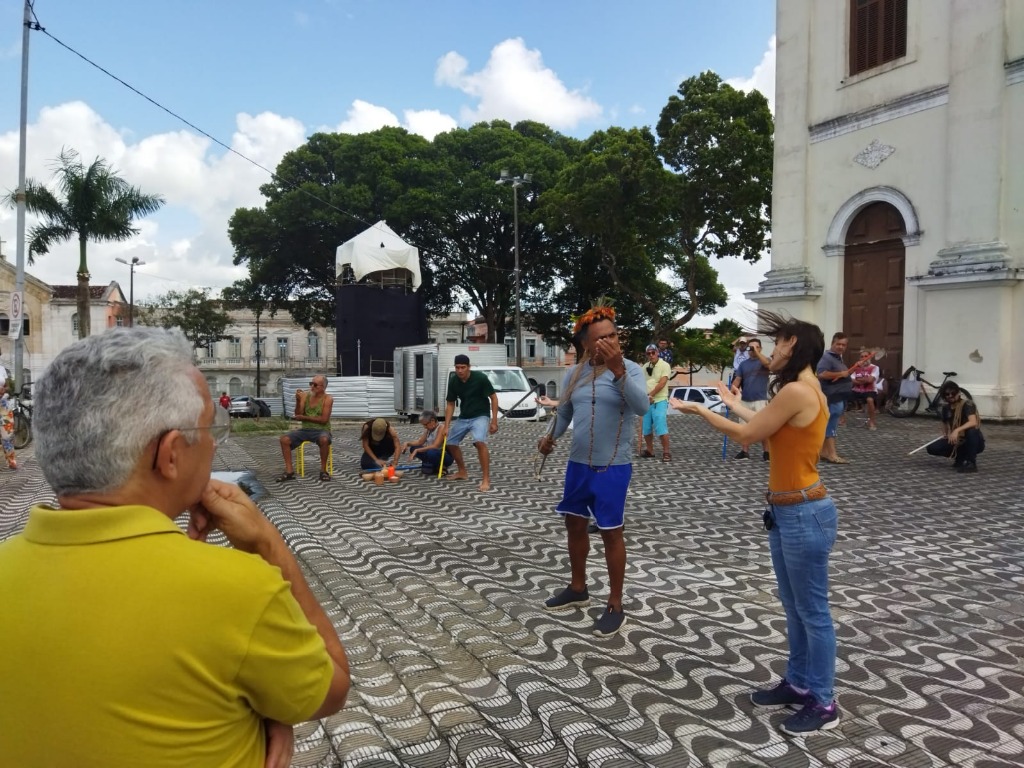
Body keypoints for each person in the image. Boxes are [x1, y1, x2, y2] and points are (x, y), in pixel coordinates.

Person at [0, 327, 350, 767]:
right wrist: (267, 544)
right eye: (208, 429)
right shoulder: (238, 591)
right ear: (169, 455)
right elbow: (332, 688)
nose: (213, 443)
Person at [670, 311, 840, 735]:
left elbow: (747, 437)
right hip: (790, 510)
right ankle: (799, 684)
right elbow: (765, 428)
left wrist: (698, 410)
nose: (768, 353)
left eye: (779, 343)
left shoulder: (799, 390)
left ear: (796, 347)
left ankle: (823, 701)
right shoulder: (803, 390)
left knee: (813, 612)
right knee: (795, 607)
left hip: (803, 511)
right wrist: (729, 403)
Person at [537, 304, 648, 637]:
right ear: (586, 344)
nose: (611, 341)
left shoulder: (630, 370)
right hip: (577, 463)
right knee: (574, 524)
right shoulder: (574, 373)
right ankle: (577, 587)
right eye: (602, 338)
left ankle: (615, 604)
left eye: (613, 335)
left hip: (613, 466)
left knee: (612, 531)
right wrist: (549, 437)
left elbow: (642, 407)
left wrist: (617, 370)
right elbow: (565, 414)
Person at [444, 354, 499, 492]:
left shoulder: (480, 378)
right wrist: (446, 426)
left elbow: (494, 398)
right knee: (450, 442)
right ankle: (462, 471)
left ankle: (486, 479)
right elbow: (450, 404)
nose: (460, 370)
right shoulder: (453, 381)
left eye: (463, 367)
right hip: (464, 416)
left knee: (479, 441)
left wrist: (494, 421)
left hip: (481, 415)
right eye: (457, 367)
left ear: (469, 367)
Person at [278, 375, 334, 482]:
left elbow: (324, 420)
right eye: (311, 384)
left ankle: (323, 471)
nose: (312, 387)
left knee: (324, 439)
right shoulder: (306, 396)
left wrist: (304, 417)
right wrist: (298, 400)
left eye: (315, 385)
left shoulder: (328, 399)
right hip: (306, 429)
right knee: (284, 439)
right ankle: (289, 471)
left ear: (323, 387)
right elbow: (298, 414)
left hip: (322, 430)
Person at [926, 381, 985, 473]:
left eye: (953, 393)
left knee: (972, 431)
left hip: (973, 440)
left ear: (958, 393)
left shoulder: (967, 404)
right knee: (932, 448)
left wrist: (957, 430)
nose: (950, 396)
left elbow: (973, 422)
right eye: (947, 394)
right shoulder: (946, 408)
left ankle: (971, 463)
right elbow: (945, 424)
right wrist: (947, 434)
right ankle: (960, 457)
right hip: (958, 440)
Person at [816, 332, 855, 464]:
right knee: (830, 425)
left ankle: (824, 452)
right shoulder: (827, 357)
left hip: (838, 397)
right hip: (831, 397)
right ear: (832, 343)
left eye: (843, 345)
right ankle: (832, 454)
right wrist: (841, 373)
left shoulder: (838, 358)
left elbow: (843, 375)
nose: (841, 347)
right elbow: (821, 374)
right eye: (838, 344)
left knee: (830, 424)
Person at [731, 337, 771, 460]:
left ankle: (767, 452)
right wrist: (731, 391)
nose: (752, 350)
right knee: (744, 427)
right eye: (751, 347)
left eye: (756, 347)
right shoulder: (743, 364)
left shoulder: (765, 361)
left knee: (763, 427)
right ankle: (745, 451)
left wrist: (757, 353)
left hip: (760, 399)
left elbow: (768, 365)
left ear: (760, 348)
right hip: (745, 399)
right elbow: (738, 380)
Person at [641, 343, 672, 462]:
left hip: (660, 399)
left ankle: (666, 452)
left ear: (657, 352)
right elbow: (641, 381)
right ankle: (650, 450)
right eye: (648, 353)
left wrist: (651, 394)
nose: (651, 355)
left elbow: (662, 382)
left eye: (653, 352)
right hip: (647, 400)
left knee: (660, 425)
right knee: (646, 427)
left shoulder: (665, 365)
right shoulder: (644, 366)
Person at [405, 409, 454, 475]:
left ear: (432, 421)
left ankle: (442, 466)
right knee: (413, 448)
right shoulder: (429, 429)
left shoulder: (441, 428)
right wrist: (407, 443)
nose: (424, 427)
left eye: (425, 425)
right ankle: (430, 464)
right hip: (432, 452)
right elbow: (420, 442)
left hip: (444, 455)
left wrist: (417, 450)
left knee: (430, 452)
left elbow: (435, 446)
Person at [849, 349, 880, 431]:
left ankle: (872, 421)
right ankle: (842, 420)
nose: (864, 358)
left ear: (870, 357)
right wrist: (864, 379)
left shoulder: (875, 368)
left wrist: (858, 380)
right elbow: (852, 380)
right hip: (856, 390)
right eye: (862, 357)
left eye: (866, 356)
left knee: (870, 400)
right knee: (841, 395)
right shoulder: (856, 367)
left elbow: (870, 380)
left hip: (870, 390)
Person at [0, 351, 15, 470]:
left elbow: (8, 386)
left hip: (3, 404)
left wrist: (4, 390)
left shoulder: (2, 369)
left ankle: (11, 460)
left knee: (7, 433)